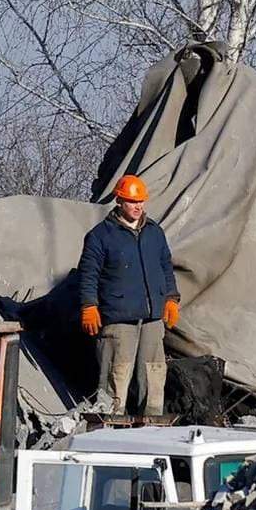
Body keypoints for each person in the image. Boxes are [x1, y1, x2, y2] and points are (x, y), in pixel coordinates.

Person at [77, 174, 181, 418]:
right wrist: (89, 305)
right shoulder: (100, 235)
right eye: (132, 202)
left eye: (141, 202)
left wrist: (171, 299)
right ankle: (111, 424)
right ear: (119, 201)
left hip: (152, 317)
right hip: (118, 318)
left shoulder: (155, 232)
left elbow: (166, 266)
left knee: (154, 374)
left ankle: (153, 424)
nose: (138, 207)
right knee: (116, 374)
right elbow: (88, 274)